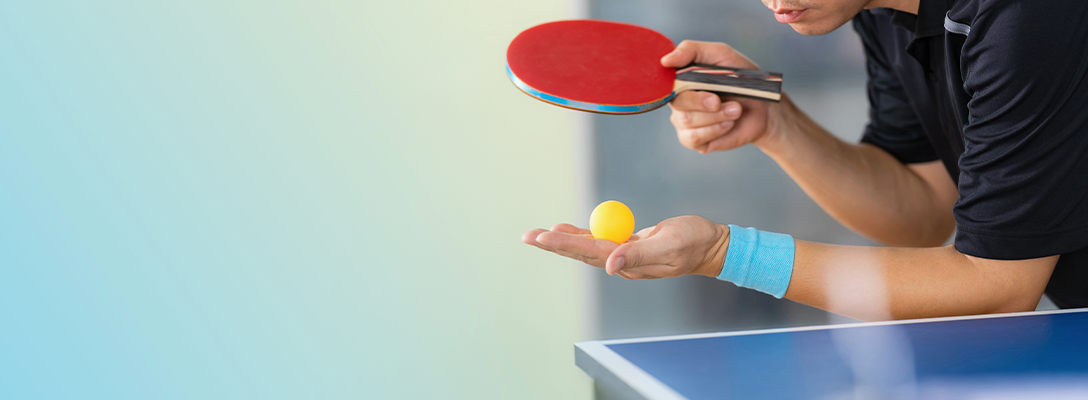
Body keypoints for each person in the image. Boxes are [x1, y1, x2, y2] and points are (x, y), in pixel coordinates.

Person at [522, 0, 1088, 321]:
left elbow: (997, 281)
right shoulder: (877, 9)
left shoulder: (1026, 16)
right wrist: (777, 123)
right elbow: (923, 209)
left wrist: (725, 252)